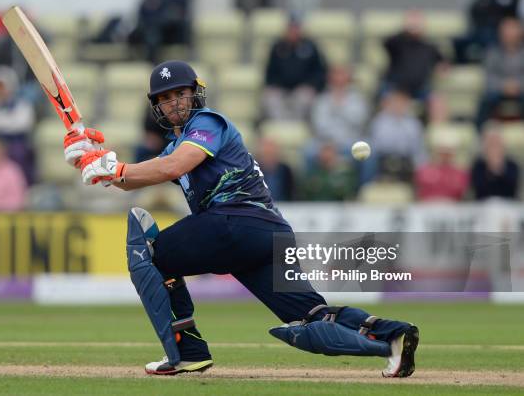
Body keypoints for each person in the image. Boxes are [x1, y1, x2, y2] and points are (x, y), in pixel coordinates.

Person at [62, 60, 419, 377]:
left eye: (180, 94)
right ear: (156, 107)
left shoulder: (208, 121)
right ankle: (391, 337)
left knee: (150, 256)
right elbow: (135, 177)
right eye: (166, 99)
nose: (175, 103)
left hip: (236, 222)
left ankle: (187, 353)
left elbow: (173, 166)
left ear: (195, 94)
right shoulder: (174, 145)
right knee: (309, 319)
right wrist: (94, 160)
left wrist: (115, 167)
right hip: (265, 237)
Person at [261, 16, 327, 121]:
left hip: (303, 89)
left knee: (304, 97)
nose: (293, 32)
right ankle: (280, 126)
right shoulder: (278, 47)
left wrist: (311, 85)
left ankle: (297, 127)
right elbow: (270, 73)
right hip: (281, 89)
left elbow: (319, 72)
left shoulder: (311, 47)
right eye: (291, 29)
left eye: (296, 28)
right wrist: (276, 85)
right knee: (270, 98)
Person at [380, 9, 446, 102]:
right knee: (390, 96)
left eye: (418, 21)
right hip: (396, 86)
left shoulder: (429, 46)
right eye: (412, 21)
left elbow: (443, 63)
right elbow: (386, 43)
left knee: (437, 100)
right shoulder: (398, 43)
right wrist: (405, 31)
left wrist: (441, 68)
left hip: (420, 88)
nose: (415, 25)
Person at [475, 17, 524, 131]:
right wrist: (503, 86)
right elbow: (488, 77)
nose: (509, 33)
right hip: (498, 91)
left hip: (521, 90)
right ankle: (480, 134)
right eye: (505, 29)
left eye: (512, 29)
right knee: (486, 101)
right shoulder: (492, 52)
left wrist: (517, 85)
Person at [470, 127, 519, 199]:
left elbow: (511, 188)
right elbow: (479, 189)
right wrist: (490, 167)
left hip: (508, 206)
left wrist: (499, 167)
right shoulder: (478, 165)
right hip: (483, 206)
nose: (494, 147)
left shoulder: (512, 165)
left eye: (497, 143)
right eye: (491, 143)